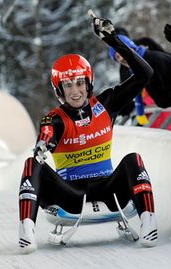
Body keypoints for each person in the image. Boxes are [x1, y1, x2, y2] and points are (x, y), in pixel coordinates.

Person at [18, 16, 158, 254]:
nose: (75, 91)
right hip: (70, 195)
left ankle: (149, 223)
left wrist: (113, 40)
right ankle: (26, 230)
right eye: (68, 85)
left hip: (110, 190)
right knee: (32, 164)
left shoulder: (106, 103)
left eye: (79, 83)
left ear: (88, 83)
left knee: (134, 159)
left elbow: (145, 74)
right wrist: (42, 145)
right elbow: (46, 133)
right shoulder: (54, 118)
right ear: (59, 90)